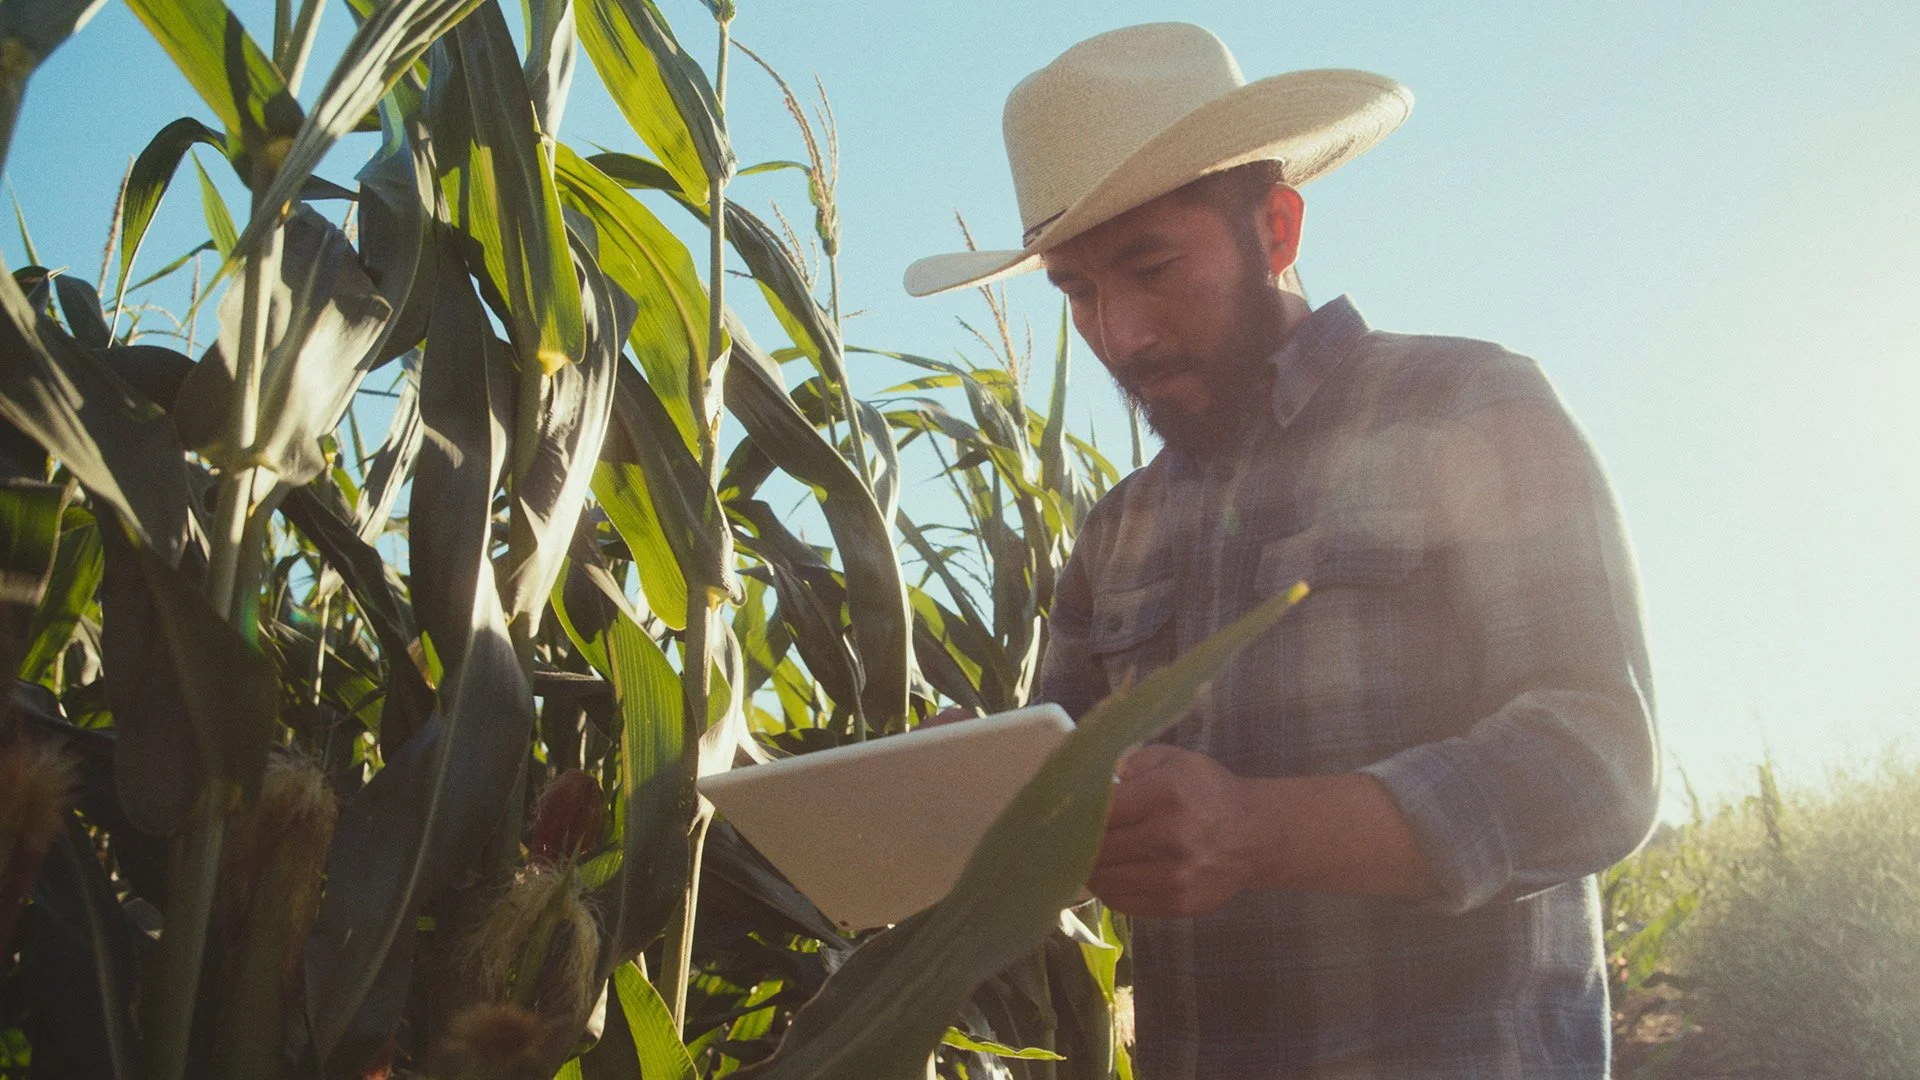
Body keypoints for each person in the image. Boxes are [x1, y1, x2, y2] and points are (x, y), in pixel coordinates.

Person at [904, 23, 1659, 1080]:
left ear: (1278, 227)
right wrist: (984, 799)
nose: (1120, 334)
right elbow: (1075, 826)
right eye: (1076, 291)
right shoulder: (1114, 532)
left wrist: (1258, 830)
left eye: (1151, 266)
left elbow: (1598, 764)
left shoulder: (1467, 407)